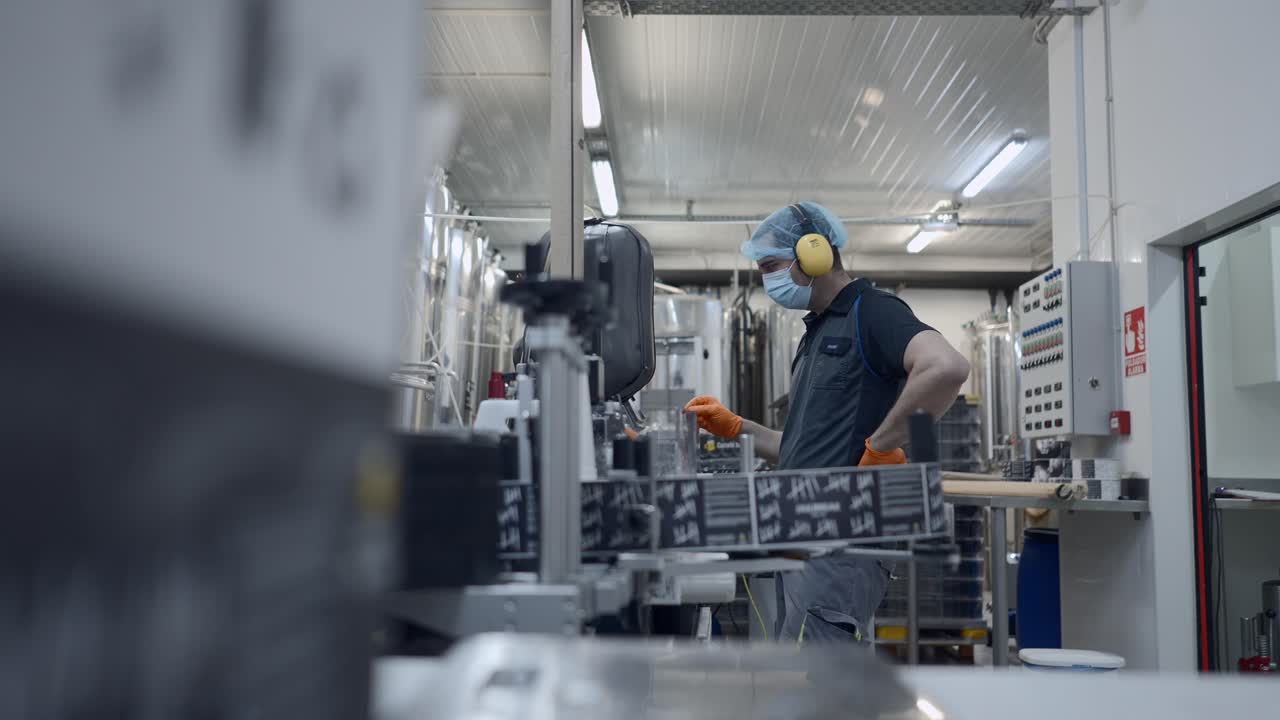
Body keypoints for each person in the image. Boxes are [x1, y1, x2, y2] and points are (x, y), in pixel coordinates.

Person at [685, 201, 970, 644]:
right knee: (802, 676)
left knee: (819, 686)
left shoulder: (871, 312)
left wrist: (882, 446)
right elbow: (805, 449)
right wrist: (737, 427)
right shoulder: (817, 331)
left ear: (814, 253)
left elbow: (946, 367)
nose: (767, 280)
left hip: (840, 540)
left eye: (772, 266)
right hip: (806, 534)